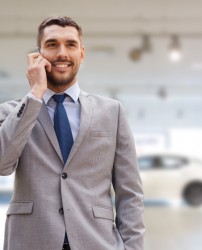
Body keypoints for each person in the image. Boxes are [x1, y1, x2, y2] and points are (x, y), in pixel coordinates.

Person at [0, 16, 145, 250]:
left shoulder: (112, 112)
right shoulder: (13, 112)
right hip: (31, 240)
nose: (62, 53)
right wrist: (36, 92)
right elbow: (2, 164)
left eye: (70, 45)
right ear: (38, 55)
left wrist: (133, 247)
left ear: (82, 53)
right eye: (52, 44)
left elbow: (130, 193)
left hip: (96, 241)